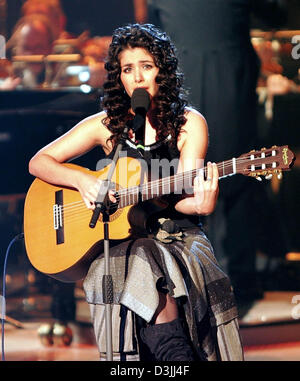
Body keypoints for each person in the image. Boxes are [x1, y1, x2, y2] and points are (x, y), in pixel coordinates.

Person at [28, 23, 243, 361]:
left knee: (145, 258)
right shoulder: (107, 126)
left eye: (147, 66)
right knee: (137, 255)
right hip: (123, 240)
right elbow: (39, 162)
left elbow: (186, 192)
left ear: (163, 72)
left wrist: (200, 203)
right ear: (119, 77)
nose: (138, 77)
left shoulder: (188, 124)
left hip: (177, 239)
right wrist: (84, 182)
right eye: (129, 69)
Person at [147, 0, 288, 305]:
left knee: (182, 175)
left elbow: (151, 29)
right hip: (226, 76)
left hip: (182, 77)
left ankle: (184, 274)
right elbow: (275, 13)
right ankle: (240, 277)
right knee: (235, 172)